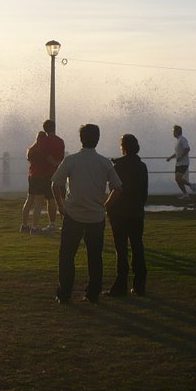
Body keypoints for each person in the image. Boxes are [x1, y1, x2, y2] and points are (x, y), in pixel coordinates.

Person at [51, 124, 122, 304]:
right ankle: (92, 293)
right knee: (95, 256)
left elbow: (55, 184)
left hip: (73, 214)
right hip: (96, 216)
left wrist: (61, 206)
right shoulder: (104, 162)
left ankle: (65, 293)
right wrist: (105, 206)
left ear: (81, 139)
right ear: (97, 139)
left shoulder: (71, 160)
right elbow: (117, 188)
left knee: (67, 256)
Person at [106, 133, 148, 297]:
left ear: (123, 147)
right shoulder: (142, 166)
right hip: (136, 212)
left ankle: (120, 284)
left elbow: (115, 190)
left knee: (121, 249)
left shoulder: (118, 166)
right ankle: (139, 285)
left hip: (119, 214)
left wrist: (107, 206)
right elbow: (144, 192)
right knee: (138, 246)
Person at [37, 119, 65, 232]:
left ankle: (52, 224)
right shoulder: (60, 141)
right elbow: (61, 158)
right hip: (60, 172)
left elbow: (46, 157)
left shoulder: (44, 141)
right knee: (62, 198)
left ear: (45, 129)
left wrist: (54, 163)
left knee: (51, 199)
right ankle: (65, 223)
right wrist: (59, 164)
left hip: (48, 173)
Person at [20, 131, 49, 232]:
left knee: (29, 200)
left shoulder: (31, 150)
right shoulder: (43, 150)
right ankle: (35, 226)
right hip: (40, 177)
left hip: (32, 176)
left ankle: (24, 225)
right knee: (39, 203)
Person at [166, 124, 196, 198]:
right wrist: (170, 157)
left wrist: (181, 157)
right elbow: (177, 153)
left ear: (177, 132)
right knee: (177, 179)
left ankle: (191, 185)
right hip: (178, 163)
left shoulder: (183, 139)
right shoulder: (178, 141)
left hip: (184, 163)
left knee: (178, 178)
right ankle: (185, 194)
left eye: (173, 131)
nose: (173, 133)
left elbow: (187, 149)